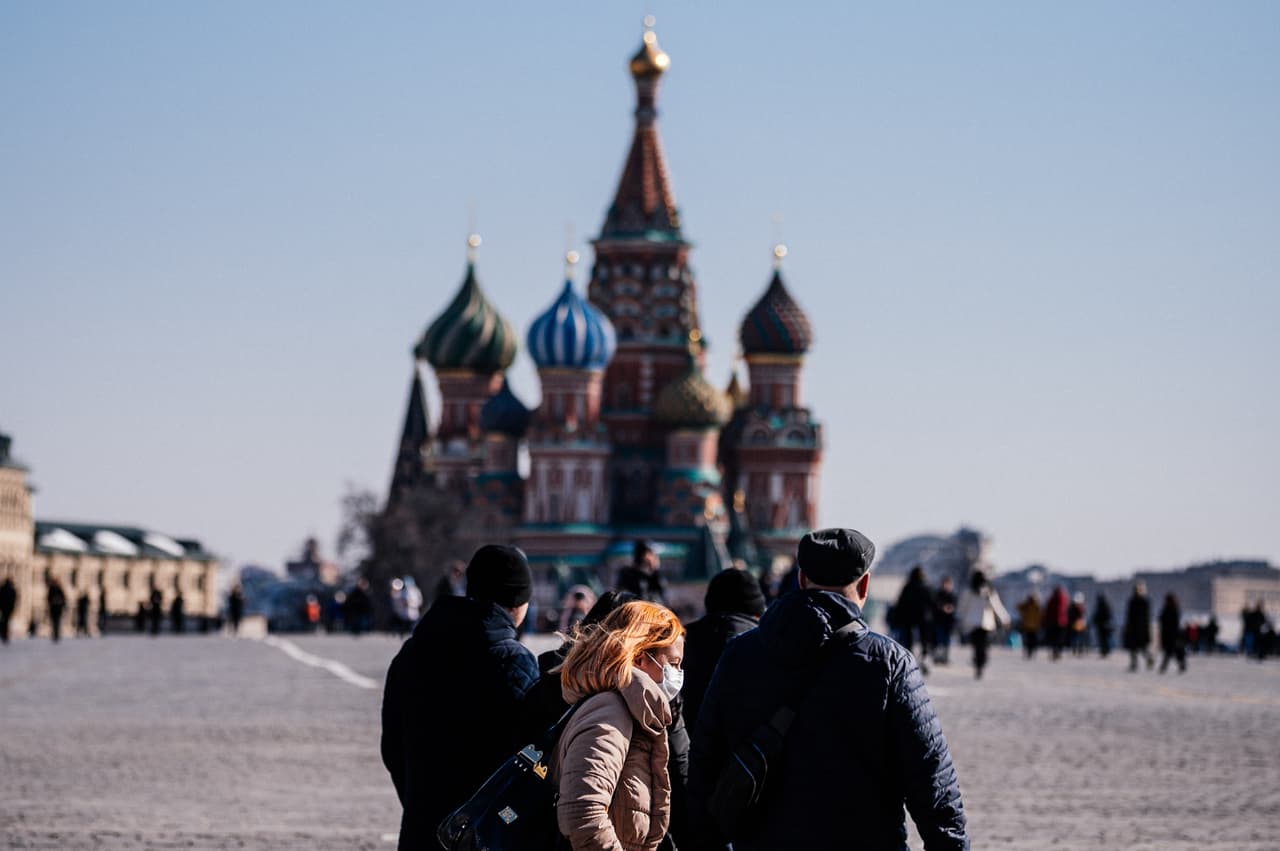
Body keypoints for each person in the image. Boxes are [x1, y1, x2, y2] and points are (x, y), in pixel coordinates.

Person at [688, 528, 968, 850]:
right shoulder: (891, 663)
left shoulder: (738, 655)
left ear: (802, 578)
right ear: (864, 585)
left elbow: (704, 765)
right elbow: (932, 780)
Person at [380, 544, 539, 850]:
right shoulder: (513, 661)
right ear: (519, 601)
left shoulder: (413, 652)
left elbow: (392, 748)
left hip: (421, 825)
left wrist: (420, 801)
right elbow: (529, 756)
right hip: (487, 832)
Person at [553, 601, 684, 851]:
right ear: (639, 657)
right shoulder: (611, 711)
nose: (678, 674)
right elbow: (583, 811)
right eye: (673, 663)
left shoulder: (629, 708)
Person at [682, 568, 766, 730]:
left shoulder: (680, 640)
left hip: (686, 745)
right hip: (748, 749)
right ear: (758, 611)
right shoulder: (765, 642)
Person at [957, 568, 1010, 680]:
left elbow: (962, 608)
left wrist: (960, 618)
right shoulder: (988, 591)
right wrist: (1004, 618)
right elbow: (997, 607)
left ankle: (978, 663)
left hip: (973, 624)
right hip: (985, 624)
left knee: (978, 646)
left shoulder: (970, 592)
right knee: (983, 646)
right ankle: (980, 662)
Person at [893, 565, 934, 674]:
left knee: (909, 641)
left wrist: (897, 619)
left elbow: (900, 604)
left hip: (908, 619)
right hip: (923, 619)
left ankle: (910, 661)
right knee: (924, 642)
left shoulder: (907, 587)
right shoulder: (926, 587)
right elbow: (932, 604)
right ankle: (924, 659)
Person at [616, 539, 670, 605]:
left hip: (651, 611)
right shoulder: (627, 573)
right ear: (644, 555)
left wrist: (655, 569)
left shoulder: (653, 575)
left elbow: (662, 594)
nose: (654, 557)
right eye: (651, 554)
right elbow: (640, 595)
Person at [1123, 582, 1154, 671]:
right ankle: (1134, 664)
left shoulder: (1144, 602)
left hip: (1140, 630)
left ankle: (1148, 659)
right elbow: (1129, 616)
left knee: (1142, 648)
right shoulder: (1133, 601)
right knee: (1134, 649)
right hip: (1135, 629)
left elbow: (1146, 617)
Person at [932, 575, 958, 664]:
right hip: (939, 621)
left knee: (947, 641)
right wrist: (942, 608)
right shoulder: (938, 594)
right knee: (939, 640)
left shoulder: (952, 595)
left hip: (948, 622)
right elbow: (934, 605)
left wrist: (950, 609)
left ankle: (945, 658)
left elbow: (955, 607)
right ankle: (937, 657)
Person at [1158, 592, 1186, 674]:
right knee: (1171, 652)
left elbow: (1174, 624)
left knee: (1171, 652)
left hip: (1172, 635)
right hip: (1170, 635)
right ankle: (1180, 665)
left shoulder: (1172, 610)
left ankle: (1164, 667)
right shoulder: (1170, 609)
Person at [1043, 585, 1069, 661]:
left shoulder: (1053, 599)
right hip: (1062, 622)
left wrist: (1046, 621)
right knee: (1059, 639)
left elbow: (1048, 610)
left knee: (1055, 639)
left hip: (1054, 622)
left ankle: (1056, 651)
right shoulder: (1064, 598)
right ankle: (1057, 652)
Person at [1016, 592, 1042, 659]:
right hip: (1031, 626)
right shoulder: (1033, 605)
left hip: (1029, 626)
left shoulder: (1034, 606)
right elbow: (1018, 607)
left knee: (1030, 641)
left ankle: (1030, 652)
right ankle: (1030, 652)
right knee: (1031, 641)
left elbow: (1018, 607)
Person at [1067, 592, 1088, 656]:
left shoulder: (1077, 607)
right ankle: (1077, 650)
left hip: (1078, 624)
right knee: (1076, 638)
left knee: (1078, 638)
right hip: (1077, 624)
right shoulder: (1079, 607)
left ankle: (1078, 650)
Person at [1, 576, 18, 644]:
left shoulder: (3, 588)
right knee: (6, 621)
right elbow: (15, 599)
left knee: (4, 621)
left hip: (4, 608)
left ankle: (4, 634)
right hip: (8, 608)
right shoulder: (11, 589)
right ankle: (5, 634)